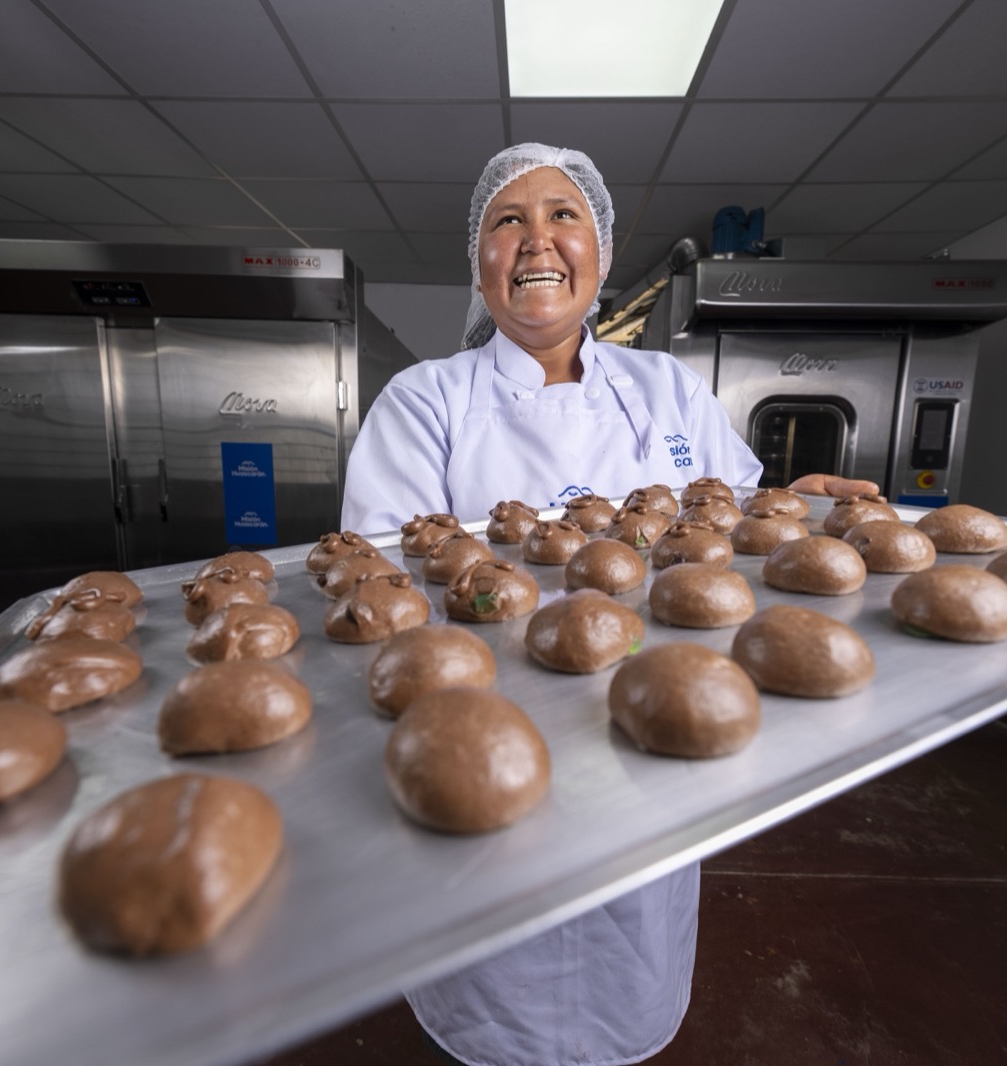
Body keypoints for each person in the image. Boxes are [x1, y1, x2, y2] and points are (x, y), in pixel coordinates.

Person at [340, 143, 872, 1066]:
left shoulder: (667, 388)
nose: (536, 240)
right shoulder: (423, 402)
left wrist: (803, 512)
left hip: (655, 729)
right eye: (509, 220)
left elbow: (734, 523)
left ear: (600, 250)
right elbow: (378, 592)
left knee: (631, 934)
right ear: (480, 259)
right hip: (484, 738)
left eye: (563, 216)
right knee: (494, 954)